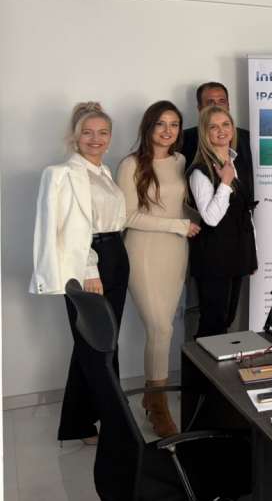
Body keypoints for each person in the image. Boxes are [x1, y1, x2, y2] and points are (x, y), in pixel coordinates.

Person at [31, 102, 128, 443]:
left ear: (110, 137)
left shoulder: (105, 173)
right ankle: (112, 423)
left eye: (103, 133)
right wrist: (89, 268)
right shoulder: (60, 173)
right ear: (75, 136)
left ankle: (79, 423)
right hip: (89, 262)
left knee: (103, 344)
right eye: (87, 132)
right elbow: (64, 229)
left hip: (116, 255)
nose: (95, 139)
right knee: (95, 345)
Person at [115, 101, 200, 437]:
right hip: (143, 252)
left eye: (174, 124)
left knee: (164, 329)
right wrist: (177, 226)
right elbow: (127, 217)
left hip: (176, 253)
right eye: (161, 124)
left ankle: (151, 398)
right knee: (160, 328)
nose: (168, 131)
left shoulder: (180, 161)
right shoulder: (130, 164)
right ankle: (160, 407)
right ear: (148, 127)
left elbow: (181, 207)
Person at [187, 105, 258, 337]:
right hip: (214, 257)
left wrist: (251, 255)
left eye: (226, 124)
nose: (221, 131)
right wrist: (225, 183)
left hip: (236, 253)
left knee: (226, 319)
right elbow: (211, 218)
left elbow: (244, 213)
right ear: (205, 133)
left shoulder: (234, 162)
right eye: (213, 127)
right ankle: (200, 363)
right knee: (213, 323)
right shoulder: (200, 171)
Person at [180, 81, 253, 197]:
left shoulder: (248, 138)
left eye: (222, 101)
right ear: (199, 108)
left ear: (228, 105)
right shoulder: (183, 139)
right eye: (210, 102)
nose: (216, 106)